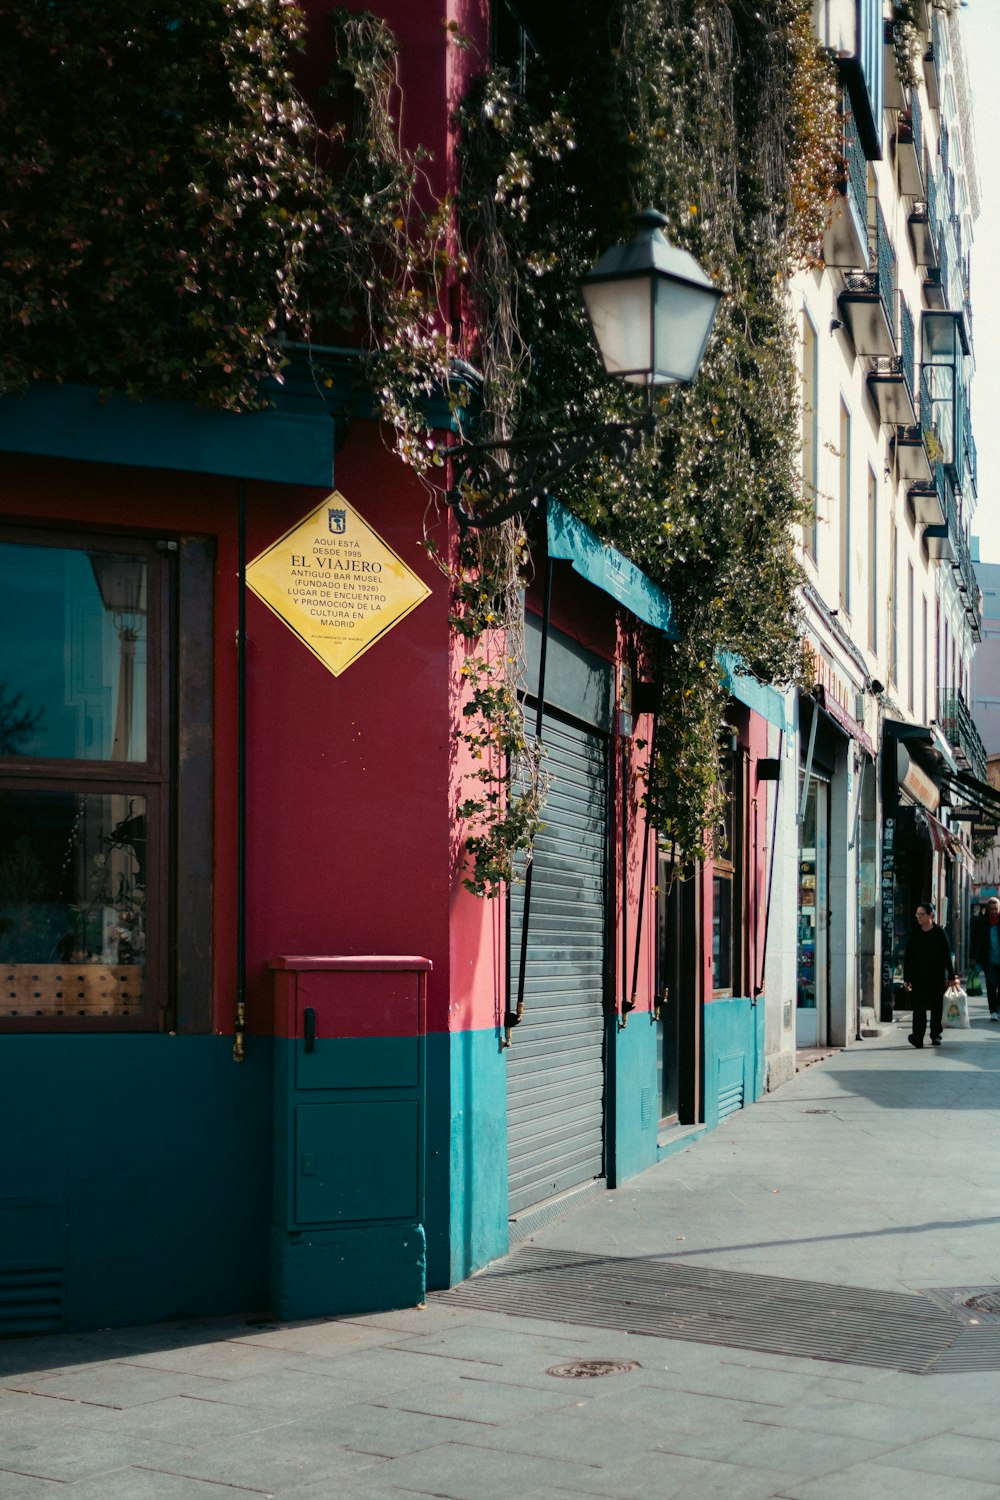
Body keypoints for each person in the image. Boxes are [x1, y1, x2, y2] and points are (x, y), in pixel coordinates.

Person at [903, 902, 959, 1048]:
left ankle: (935, 1034)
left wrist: (952, 977)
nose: (919, 917)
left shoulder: (939, 933)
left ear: (931, 916)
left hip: (936, 976)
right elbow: (908, 957)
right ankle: (918, 1037)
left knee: (936, 1007)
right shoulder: (915, 933)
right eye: (917, 914)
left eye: (922, 914)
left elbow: (947, 955)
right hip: (918, 977)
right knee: (918, 1008)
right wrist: (906, 978)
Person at [971, 895, 1000, 1022]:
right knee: (991, 985)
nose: (994, 911)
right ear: (988, 909)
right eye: (992, 909)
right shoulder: (982, 922)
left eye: (996, 909)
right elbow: (975, 940)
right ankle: (993, 1011)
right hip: (988, 960)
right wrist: (972, 957)